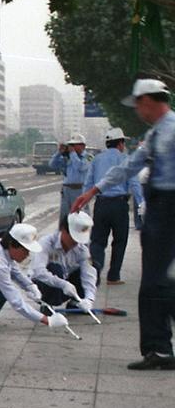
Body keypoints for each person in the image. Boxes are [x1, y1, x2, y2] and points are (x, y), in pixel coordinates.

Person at [72, 78, 175, 370]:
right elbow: (130, 166)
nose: (138, 110)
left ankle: (159, 349)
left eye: (139, 104)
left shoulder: (172, 131)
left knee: (159, 282)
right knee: (153, 283)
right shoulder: (155, 134)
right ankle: (157, 350)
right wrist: (94, 190)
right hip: (159, 208)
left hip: (169, 207)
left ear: (150, 101)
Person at [82, 128, 144, 285]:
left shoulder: (96, 160)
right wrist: (142, 205)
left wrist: (83, 205)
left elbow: (88, 184)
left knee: (97, 241)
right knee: (120, 240)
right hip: (119, 205)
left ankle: (94, 274)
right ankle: (113, 276)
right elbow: (135, 184)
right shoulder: (126, 159)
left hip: (101, 204)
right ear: (121, 143)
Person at [30, 212, 97, 313]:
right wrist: (63, 284)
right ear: (63, 230)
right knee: (55, 268)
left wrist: (89, 299)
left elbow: (89, 275)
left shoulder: (81, 249)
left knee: (95, 266)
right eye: (73, 238)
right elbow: (39, 272)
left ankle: (76, 303)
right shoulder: (46, 243)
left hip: (66, 284)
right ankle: (48, 304)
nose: (75, 242)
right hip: (43, 285)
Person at [49, 133, 92, 222]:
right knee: (65, 217)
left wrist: (72, 153)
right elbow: (52, 164)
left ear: (82, 146)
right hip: (66, 190)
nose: (71, 147)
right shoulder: (67, 157)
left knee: (81, 217)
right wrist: (59, 152)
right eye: (70, 145)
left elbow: (80, 167)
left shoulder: (88, 157)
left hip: (80, 190)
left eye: (73, 145)